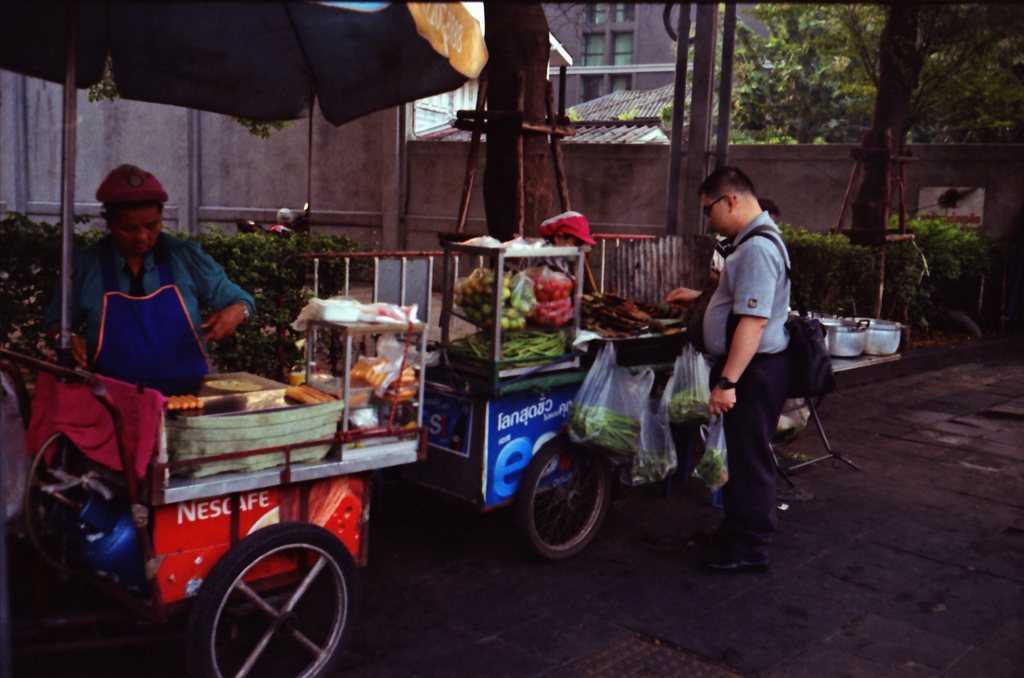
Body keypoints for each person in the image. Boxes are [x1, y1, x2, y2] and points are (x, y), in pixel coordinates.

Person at [44, 164, 255, 384]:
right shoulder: (85, 265)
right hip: (114, 398)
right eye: (129, 228)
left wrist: (238, 312)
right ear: (108, 220)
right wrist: (64, 337)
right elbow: (55, 321)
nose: (142, 237)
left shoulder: (185, 257)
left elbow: (242, 301)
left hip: (189, 394)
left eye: (152, 225)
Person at [696, 167, 791, 573]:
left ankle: (750, 549)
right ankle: (736, 532)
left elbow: (752, 323)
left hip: (753, 373)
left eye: (708, 210)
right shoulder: (756, 239)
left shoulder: (755, 249)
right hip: (755, 370)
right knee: (741, 456)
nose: (709, 220)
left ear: (730, 201)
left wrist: (727, 382)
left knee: (750, 462)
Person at [666, 197, 781, 308]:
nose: (710, 220)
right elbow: (714, 275)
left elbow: (753, 308)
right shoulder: (727, 243)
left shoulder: (759, 248)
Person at [535, 211, 595, 278]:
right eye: (576, 244)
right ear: (558, 237)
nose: (578, 249)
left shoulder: (559, 257)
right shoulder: (548, 255)